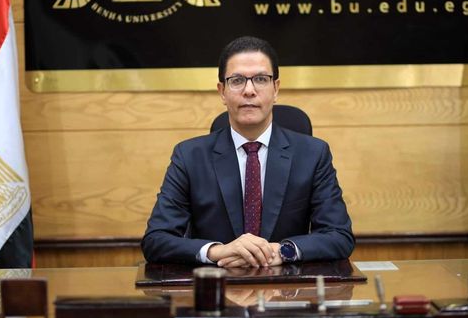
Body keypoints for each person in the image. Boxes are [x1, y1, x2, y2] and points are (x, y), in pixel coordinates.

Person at [142, 36, 354, 268]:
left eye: (261, 79)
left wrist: (283, 251)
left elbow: (339, 236)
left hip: (287, 285)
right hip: (218, 283)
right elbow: (156, 240)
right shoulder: (189, 156)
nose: (249, 90)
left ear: (276, 89)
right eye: (237, 80)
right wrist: (217, 251)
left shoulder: (313, 154)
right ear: (222, 92)